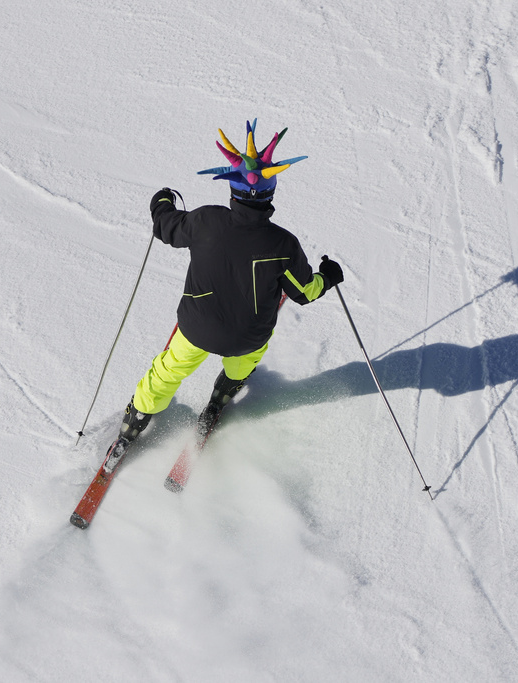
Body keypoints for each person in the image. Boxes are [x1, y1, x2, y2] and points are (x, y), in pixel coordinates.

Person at [106, 120, 343, 469]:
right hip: (248, 336)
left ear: (231, 191)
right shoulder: (283, 245)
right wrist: (328, 276)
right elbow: (304, 293)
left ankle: (135, 420)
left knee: (167, 372)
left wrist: (162, 201)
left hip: (196, 328)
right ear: (270, 195)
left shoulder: (205, 222)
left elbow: (166, 226)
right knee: (242, 363)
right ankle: (223, 393)